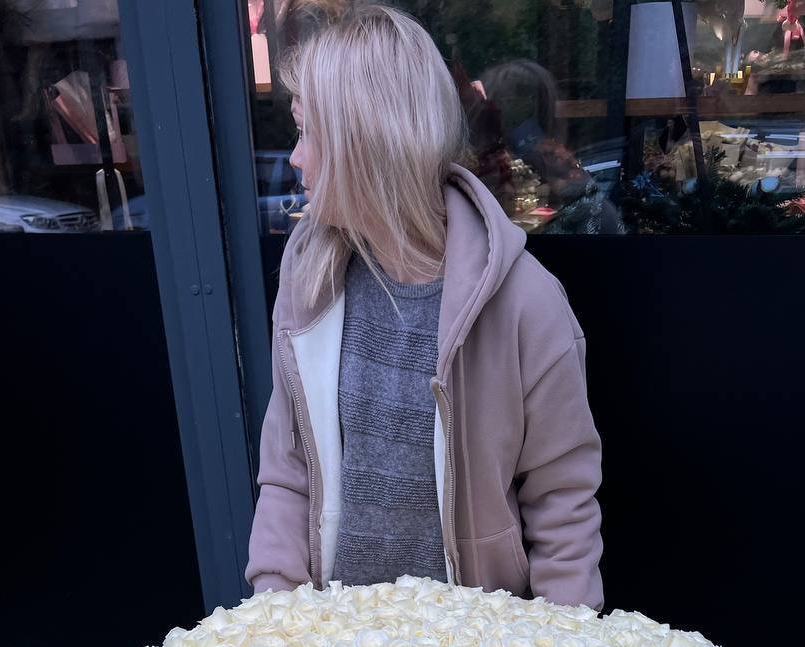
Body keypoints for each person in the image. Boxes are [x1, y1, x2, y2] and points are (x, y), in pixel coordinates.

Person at [244, 4, 604, 610]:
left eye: (307, 133)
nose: (295, 158)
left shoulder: (525, 303)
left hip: (474, 646)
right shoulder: (309, 278)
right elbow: (288, 470)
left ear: (368, 142)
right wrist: (273, 616)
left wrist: (567, 646)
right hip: (334, 640)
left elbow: (562, 500)